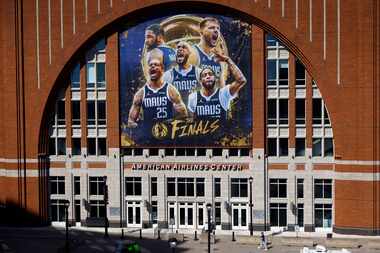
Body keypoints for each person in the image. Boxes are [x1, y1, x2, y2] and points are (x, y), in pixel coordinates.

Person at [128, 49, 187, 130]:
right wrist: (142, 128)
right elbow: (131, 122)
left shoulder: (170, 90)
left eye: (156, 65)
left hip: (167, 134)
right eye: (150, 65)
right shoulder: (140, 94)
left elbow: (183, 115)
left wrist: (172, 123)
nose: (153, 66)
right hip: (149, 136)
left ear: (162, 69)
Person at [187, 50, 246, 122]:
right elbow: (191, 121)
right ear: (200, 80)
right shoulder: (193, 97)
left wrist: (227, 60)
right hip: (203, 132)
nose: (208, 76)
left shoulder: (224, 93)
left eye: (210, 74)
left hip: (221, 133)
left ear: (215, 78)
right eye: (204, 75)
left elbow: (241, 80)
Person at [163, 41, 201, 106]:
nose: (180, 49)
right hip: (178, 113)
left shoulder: (199, 72)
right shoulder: (168, 75)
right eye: (178, 47)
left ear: (189, 53)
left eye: (184, 47)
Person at [193, 17, 227, 87]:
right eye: (211, 28)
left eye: (218, 28)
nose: (216, 30)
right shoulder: (193, 53)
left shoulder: (219, 57)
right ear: (201, 32)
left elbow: (222, 86)